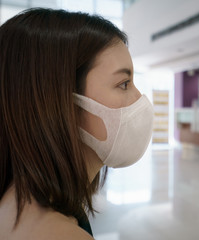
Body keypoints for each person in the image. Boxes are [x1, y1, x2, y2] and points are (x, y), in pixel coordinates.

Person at [0, 8, 154, 240]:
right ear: (61, 101)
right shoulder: (58, 233)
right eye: (124, 83)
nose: (139, 99)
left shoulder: (18, 199)